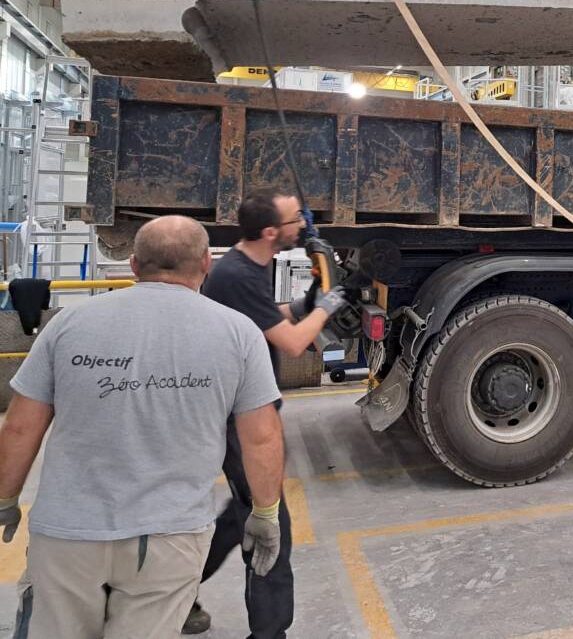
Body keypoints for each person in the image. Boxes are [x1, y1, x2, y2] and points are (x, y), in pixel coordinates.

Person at [0, 215, 284, 638]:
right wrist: (265, 512)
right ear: (206, 263)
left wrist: (6, 497)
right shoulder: (238, 334)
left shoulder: (68, 325)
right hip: (170, 539)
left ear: (133, 264)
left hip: (67, 534)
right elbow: (261, 436)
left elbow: (20, 427)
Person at [187, 189, 347, 638]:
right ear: (273, 231)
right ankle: (268, 632)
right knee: (269, 524)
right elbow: (295, 344)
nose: (306, 224)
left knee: (239, 515)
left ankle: (176, 593)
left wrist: (306, 304)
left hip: (245, 413)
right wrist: (329, 307)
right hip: (241, 420)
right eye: (299, 218)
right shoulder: (236, 274)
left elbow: (270, 315)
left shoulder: (246, 265)